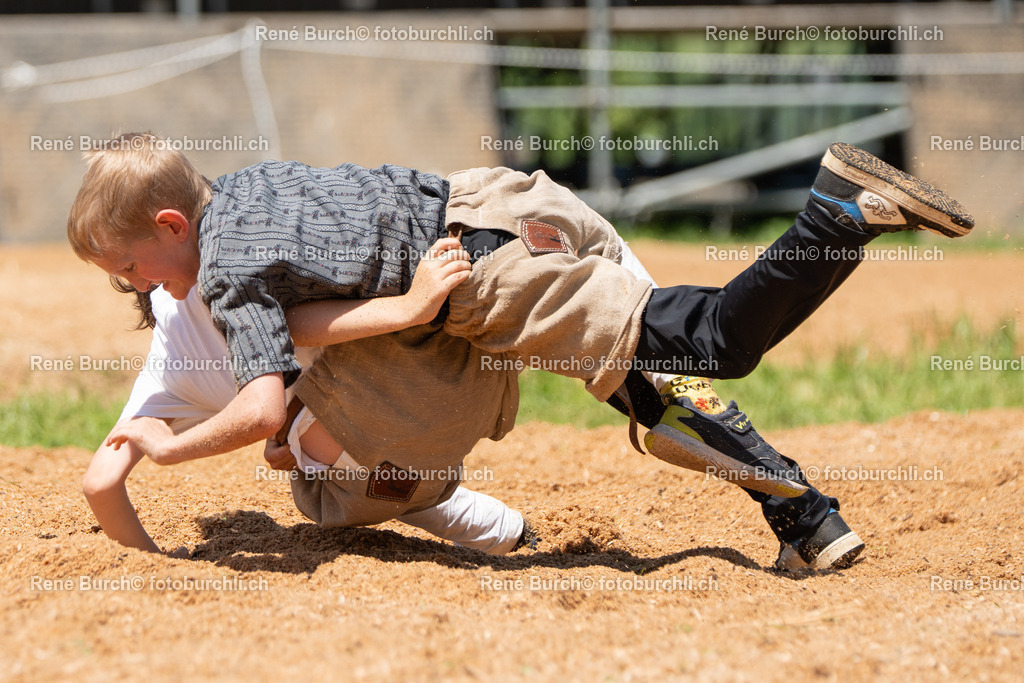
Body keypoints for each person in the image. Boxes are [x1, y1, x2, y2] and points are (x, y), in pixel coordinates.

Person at [68, 133, 974, 570]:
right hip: (501, 199)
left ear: (172, 224)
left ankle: (833, 212)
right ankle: (806, 517)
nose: (139, 287)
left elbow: (264, 406)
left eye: (132, 267)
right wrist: (403, 305)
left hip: (489, 276)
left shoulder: (218, 274)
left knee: (711, 342)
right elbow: (307, 315)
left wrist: (166, 446)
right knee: (647, 388)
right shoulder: (254, 190)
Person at [84, 275, 534, 557]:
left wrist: (154, 565)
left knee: (318, 450)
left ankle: (509, 533)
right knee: (305, 426)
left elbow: (100, 484)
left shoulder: (165, 369)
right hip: (430, 377)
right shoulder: (242, 266)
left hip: (367, 456)